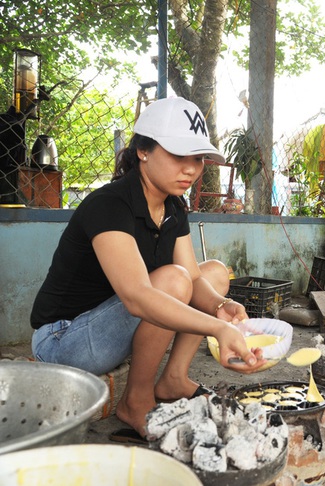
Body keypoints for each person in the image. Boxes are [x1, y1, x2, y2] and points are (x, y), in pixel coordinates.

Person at [30, 97, 268, 440]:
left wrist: (220, 306)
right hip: (63, 340)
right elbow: (137, 299)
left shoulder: (173, 206)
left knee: (213, 273)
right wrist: (218, 328)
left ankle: (173, 379)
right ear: (143, 150)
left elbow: (195, 278)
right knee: (173, 280)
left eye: (198, 158)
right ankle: (136, 400)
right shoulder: (110, 204)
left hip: (109, 328)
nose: (191, 168)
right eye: (178, 155)